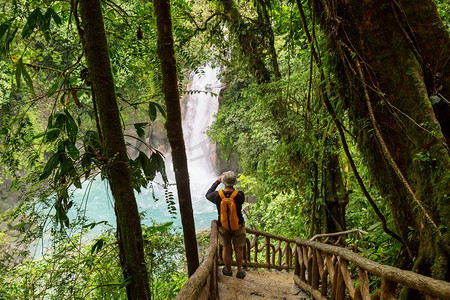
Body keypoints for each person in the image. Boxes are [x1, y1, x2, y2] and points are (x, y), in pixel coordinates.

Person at [205, 171, 246, 279]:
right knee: (238, 249)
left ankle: (228, 270)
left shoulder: (218, 196)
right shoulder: (239, 195)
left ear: (223, 182)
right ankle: (239, 271)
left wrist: (217, 181)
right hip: (238, 225)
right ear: (234, 182)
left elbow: (208, 194)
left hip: (223, 227)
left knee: (226, 249)